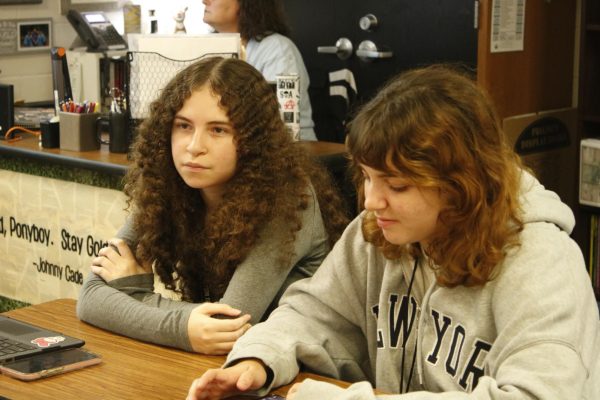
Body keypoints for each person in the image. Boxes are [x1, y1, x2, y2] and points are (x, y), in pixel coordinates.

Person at [187, 65, 600, 399]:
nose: (370, 201)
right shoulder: (378, 231)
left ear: (463, 185)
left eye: (397, 185)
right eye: (367, 177)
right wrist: (258, 361)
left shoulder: (542, 260)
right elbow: (312, 315)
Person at [76, 57, 349, 355]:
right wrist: (184, 327)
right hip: (226, 369)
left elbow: (226, 325)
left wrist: (133, 290)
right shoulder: (169, 185)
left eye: (218, 130)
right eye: (183, 126)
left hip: (304, 374)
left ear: (253, 142)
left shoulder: (288, 200)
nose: (194, 146)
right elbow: (90, 298)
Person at [202, 0, 317, 141]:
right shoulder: (208, 49)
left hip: (286, 148)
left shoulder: (277, 48)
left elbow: (277, 122)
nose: (204, 1)